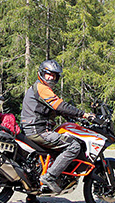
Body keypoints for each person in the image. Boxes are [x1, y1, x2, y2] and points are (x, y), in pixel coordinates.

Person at [20, 60, 94, 195]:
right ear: (42, 73)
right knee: (74, 146)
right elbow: (59, 106)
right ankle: (50, 177)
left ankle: (32, 195)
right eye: (49, 75)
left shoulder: (38, 88)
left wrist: (71, 118)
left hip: (32, 129)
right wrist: (83, 114)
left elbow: (56, 110)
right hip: (38, 131)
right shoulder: (42, 88)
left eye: (54, 76)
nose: (51, 78)